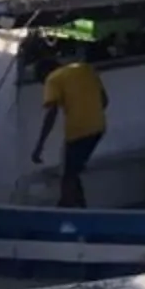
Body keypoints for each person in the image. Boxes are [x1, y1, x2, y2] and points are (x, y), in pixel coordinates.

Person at [32, 47, 107, 208]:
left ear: (44, 74)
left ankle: (68, 211)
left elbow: (51, 114)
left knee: (68, 176)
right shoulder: (85, 68)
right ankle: (79, 206)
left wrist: (39, 146)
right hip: (99, 127)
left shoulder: (53, 79)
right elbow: (105, 101)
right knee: (73, 171)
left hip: (78, 131)